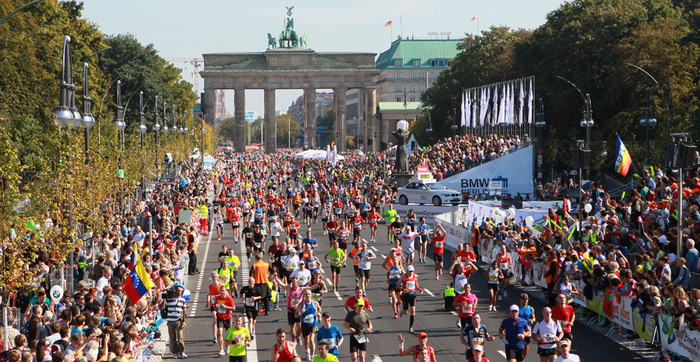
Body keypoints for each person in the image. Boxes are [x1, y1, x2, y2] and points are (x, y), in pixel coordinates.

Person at [162, 281, 188, 359]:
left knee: (180, 337)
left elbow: (184, 311)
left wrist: (184, 321)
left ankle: (182, 352)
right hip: (170, 321)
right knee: (172, 337)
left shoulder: (183, 300)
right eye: (178, 290)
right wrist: (164, 300)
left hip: (178, 320)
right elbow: (163, 308)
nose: (179, 292)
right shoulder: (169, 300)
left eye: (180, 291)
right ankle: (175, 352)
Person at [296, 288, 322, 361]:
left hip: (314, 324)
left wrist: (319, 315)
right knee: (306, 341)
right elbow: (295, 315)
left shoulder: (315, 303)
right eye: (306, 294)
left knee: (311, 339)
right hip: (305, 325)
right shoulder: (301, 304)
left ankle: (312, 356)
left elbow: (319, 309)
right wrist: (300, 313)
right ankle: (307, 351)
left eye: (309, 294)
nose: (307, 296)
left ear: (311, 295)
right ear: (304, 295)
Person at [399, 264, 424, 333]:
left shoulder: (415, 276)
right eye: (409, 271)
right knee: (406, 311)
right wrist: (403, 289)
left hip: (412, 295)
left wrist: (419, 289)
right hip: (405, 295)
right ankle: (403, 311)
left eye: (412, 271)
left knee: (413, 311)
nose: (411, 272)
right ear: (407, 271)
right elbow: (398, 285)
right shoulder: (403, 276)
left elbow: (415, 284)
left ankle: (410, 327)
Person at [215, 287, 237, 355]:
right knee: (220, 332)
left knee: (227, 333)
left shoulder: (229, 298)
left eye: (223, 291)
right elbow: (215, 306)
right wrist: (216, 308)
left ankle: (228, 346)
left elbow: (233, 308)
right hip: (220, 317)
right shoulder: (217, 298)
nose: (222, 292)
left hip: (227, 317)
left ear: (226, 291)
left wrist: (225, 307)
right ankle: (221, 349)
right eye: (221, 290)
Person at [517, 293, 536, 359]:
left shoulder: (530, 308)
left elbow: (533, 318)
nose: (526, 301)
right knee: (518, 345)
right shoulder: (517, 308)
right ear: (520, 300)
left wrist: (532, 320)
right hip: (518, 329)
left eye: (527, 300)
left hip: (527, 330)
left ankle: (522, 359)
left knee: (526, 346)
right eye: (524, 299)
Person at [206, 272, 223, 343]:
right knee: (215, 318)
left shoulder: (221, 285)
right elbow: (209, 294)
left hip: (220, 305)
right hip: (213, 305)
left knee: (221, 319)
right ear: (211, 278)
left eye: (216, 276)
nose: (214, 278)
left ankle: (220, 333)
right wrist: (207, 302)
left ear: (218, 277)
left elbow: (226, 294)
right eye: (213, 277)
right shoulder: (210, 286)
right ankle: (215, 336)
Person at [387, 254, 404, 319]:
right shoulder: (391, 268)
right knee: (394, 299)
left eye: (396, 260)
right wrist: (388, 279)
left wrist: (399, 277)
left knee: (400, 301)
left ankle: (397, 305)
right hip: (392, 284)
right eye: (393, 260)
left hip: (399, 285)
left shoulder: (400, 268)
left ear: (398, 260)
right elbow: (389, 275)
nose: (395, 261)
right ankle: (395, 313)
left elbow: (404, 276)